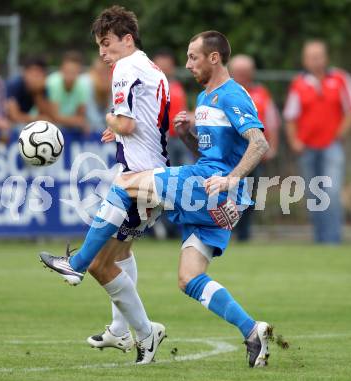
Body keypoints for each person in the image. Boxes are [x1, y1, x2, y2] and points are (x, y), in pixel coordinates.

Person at [40, 30, 273, 368]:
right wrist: (187, 135)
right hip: (216, 198)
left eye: (194, 56)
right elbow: (215, 153)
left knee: (125, 184)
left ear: (214, 57)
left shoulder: (233, 96)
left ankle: (75, 265)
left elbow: (259, 143)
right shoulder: (207, 98)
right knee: (189, 279)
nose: (187, 63)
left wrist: (230, 179)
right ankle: (252, 331)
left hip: (211, 187)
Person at [40, 6, 169, 364]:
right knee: (117, 256)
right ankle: (122, 330)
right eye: (99, 45)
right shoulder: (150, 66)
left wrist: (113, 120)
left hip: (139, 178)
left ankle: (78, 268)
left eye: (107, 43)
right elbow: (147, 121)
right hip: (152, 172)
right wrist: (123, 127)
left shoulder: (126, 67)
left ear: (127, 40)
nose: (102, 52)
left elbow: (127, 123)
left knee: (98, 262)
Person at [283, 40, 351, 244]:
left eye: (319, 56)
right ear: (304, 60)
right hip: (307, 147)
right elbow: (290, 116)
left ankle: (333, 240)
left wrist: (340, 133)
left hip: (331, 146)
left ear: (326, 57)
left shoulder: (340, 78)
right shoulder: (298, 83)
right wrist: (294, 141)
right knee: (313, 193)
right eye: (311, 57)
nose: (315, 60)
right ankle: (320, 239)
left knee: (331, 191)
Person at [229, 54, 281, 241]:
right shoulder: (225, 92)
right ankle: (225, 231)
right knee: (226, 194)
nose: (242, 75)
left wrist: (272, 147)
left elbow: (272, 121)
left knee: (249, 195)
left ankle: (244, 234)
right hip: (229, 154)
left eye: (245, 72)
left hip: (253, 154)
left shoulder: (261, 93)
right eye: (238, 72)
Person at [153, 48, 192, 166]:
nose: (164, 70)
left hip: (181, 137)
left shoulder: (177, 85)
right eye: (161, 66)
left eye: (167, 66)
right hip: (163, 139)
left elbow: (182, 108)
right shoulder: (151, 87)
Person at [46, 51, 90, 133]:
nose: (70, 75)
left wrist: (78, 121)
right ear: (61, 69)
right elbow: (54, 116)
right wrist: (77, 121)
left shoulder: (83, 86)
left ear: (79, 71)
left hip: (63, 128)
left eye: (73, 71)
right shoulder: (53, 82)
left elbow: (81, 116)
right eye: (67, 71)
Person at [6, 57, 54, 123]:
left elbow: (47, 116)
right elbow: (14, 116)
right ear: (24, 72)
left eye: (39, 73)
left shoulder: (43, 88)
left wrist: (38, 92)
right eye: (32, 72)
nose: (35, 77)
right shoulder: (14, 84)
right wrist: (37, 118)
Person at [79, 56, 113, 132]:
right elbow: (92, 115)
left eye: (107, 72)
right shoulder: (84, 82)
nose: (104, 77)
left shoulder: (117, 83)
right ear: (92, 72)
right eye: (100, 72)